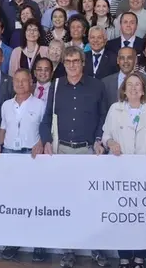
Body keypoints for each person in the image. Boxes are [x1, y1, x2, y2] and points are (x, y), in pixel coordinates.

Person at [37, 46, 109, 268]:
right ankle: (68, 250)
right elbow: (47, 117)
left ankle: (97, 247)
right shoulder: (57, 86)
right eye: (67, 61)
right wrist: (47, 140)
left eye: (75, 61)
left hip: (89, 151)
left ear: (83, 62)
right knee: (66, 201)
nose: (71, 65)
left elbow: (104, 116)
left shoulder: (97, 86)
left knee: (91, 202)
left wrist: (99, 139)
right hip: (63, 151)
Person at [101, 72, 146, 268]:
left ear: (143, 89)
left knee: (143, 215)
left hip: (145, 173)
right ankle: (124, 256)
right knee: (122, 214)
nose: (134, 88)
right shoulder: (115, 109)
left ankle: (140, 256)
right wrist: (111, 143)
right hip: (121, 171)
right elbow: (106, 135)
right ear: (124, 90)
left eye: (138, 85)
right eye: (130, 85)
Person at [0, 68, 48, 262]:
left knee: (35, 201)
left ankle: (39, 245)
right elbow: (3, 129)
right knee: (13, 201)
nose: (21, 84)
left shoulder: (40, 104)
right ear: (13, 83)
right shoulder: (6, 105)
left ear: (31, 82)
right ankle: (13, 242)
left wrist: (41, 143)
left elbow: (45, 128)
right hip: (9, 155)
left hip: (31, 157)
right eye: (17, 80)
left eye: (24, 80)